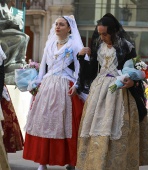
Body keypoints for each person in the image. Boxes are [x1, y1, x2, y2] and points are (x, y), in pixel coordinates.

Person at [76, 13, 148, 170]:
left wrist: (133, 81)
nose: (102, 37)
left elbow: (138, 68)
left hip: (120, 90)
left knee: (118, 129)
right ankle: (97, 164)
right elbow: (91, 71)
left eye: (105, 34)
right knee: (96, 128)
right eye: (99, 34)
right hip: (99, 89)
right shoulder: (97, 45)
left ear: (113, 31)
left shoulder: (126, 46)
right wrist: (81, 58)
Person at [23, 15, 84, 170]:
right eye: (56, 24)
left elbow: (78, 69)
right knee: (44, 122)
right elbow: (43, 67)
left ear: (69, 28)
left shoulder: (74, 45)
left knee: (65, 124)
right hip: (48, 85)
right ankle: (42, 161)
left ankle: (71, 161)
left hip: (65, 85)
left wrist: (77, 85)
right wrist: (37, 83)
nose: (57, 27)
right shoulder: (49, 44)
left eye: (61, 25)